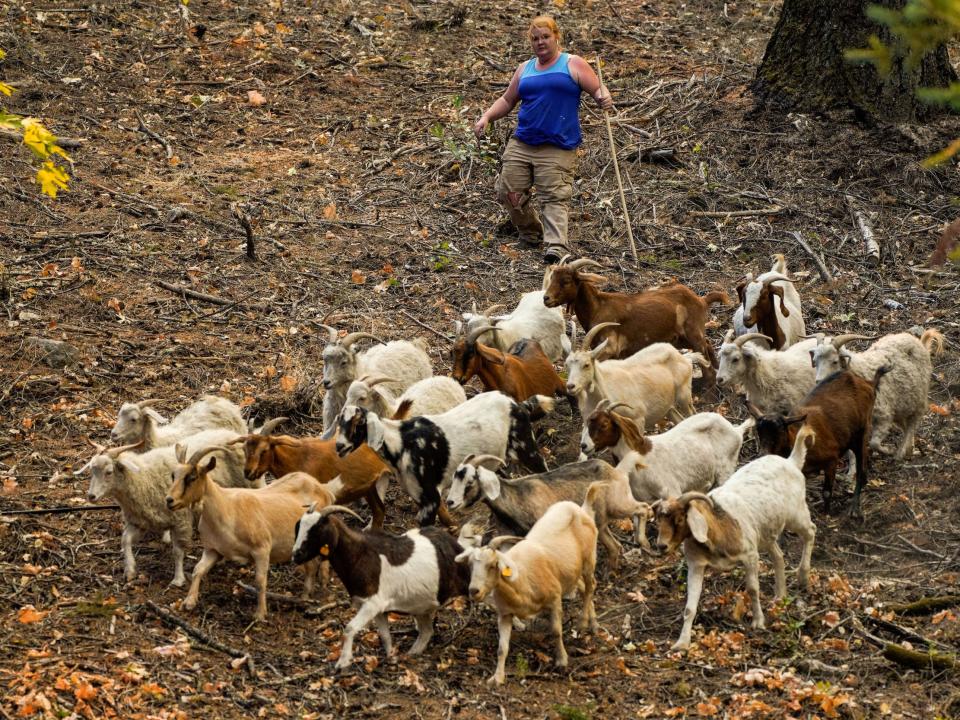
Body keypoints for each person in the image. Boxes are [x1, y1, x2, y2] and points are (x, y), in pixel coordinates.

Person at [474, 16, 614, 265]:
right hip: (523, 141)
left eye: (545, 37)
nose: (540, 42)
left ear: (556, 37)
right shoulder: (524, 69)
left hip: (558, 144)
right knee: (509, 191)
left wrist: (604, 96)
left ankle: (556, 247)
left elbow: (598, 89)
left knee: (553, 196)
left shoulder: (572, 64)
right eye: (535, 38)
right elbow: (507, 100)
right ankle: (531, 232)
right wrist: (487, 116)